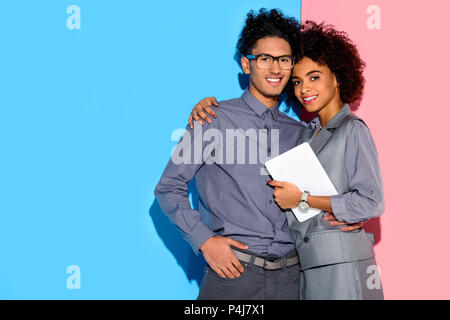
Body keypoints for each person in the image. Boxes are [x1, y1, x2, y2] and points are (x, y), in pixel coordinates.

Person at [154, 10, 361, 300]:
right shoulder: (212, 118)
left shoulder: (301, 133)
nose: (275, 69)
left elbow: (315, 201)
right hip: (233, 277)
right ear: (246, 64)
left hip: (293, 279)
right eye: (264, 58)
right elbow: (168, 187)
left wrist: (349, 215)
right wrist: (204, 241)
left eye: (284, 60)